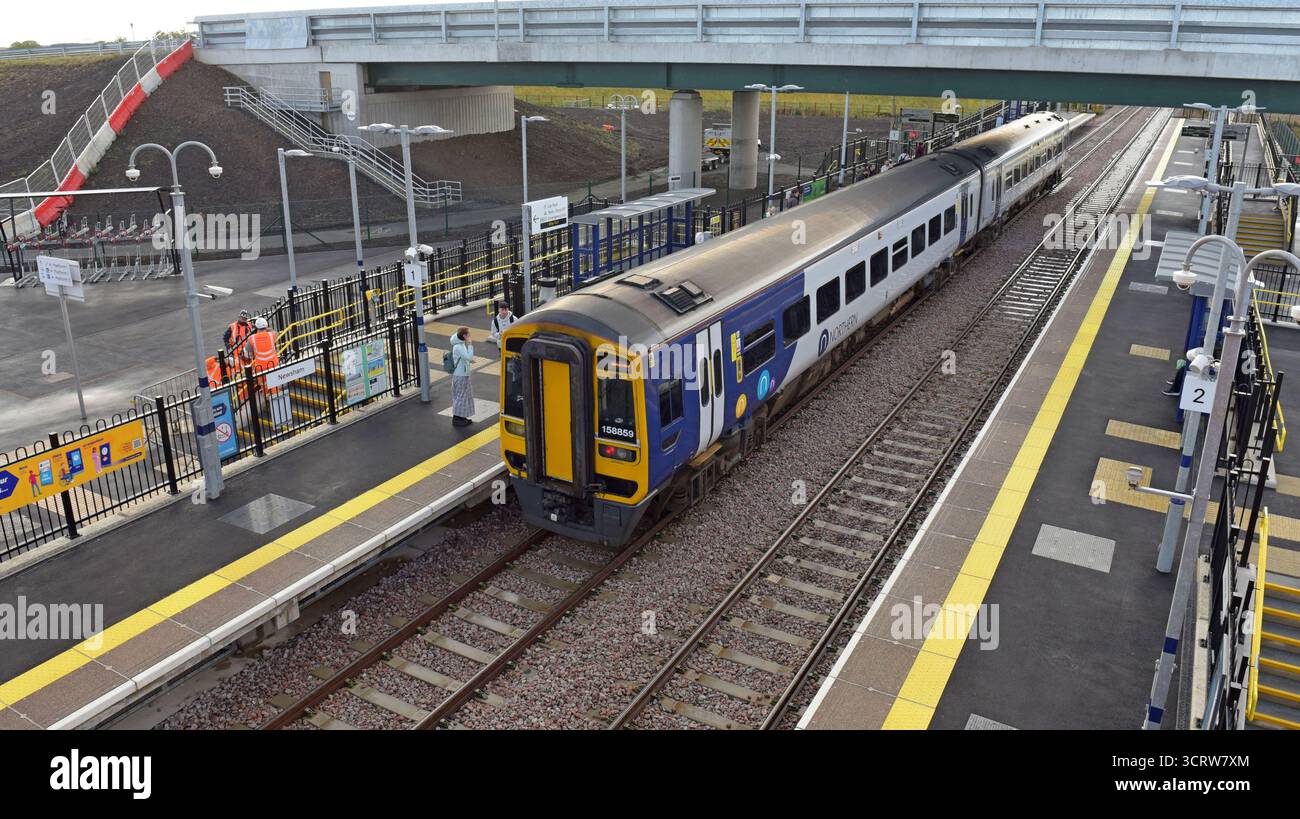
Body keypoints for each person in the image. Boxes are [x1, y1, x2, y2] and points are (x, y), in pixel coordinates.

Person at [450, 327, 475, 427]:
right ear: (464, 336)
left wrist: (469, 359)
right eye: (468, 334)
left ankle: (461, 416)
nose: (470, 335)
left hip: (461, 374)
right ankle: (457, 418)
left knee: (463, 396)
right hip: (461, 375)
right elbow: (469, 357)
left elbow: (465, 357)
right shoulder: (459, 347)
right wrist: (470, 345)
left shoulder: (459, 344)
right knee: (461, 396)